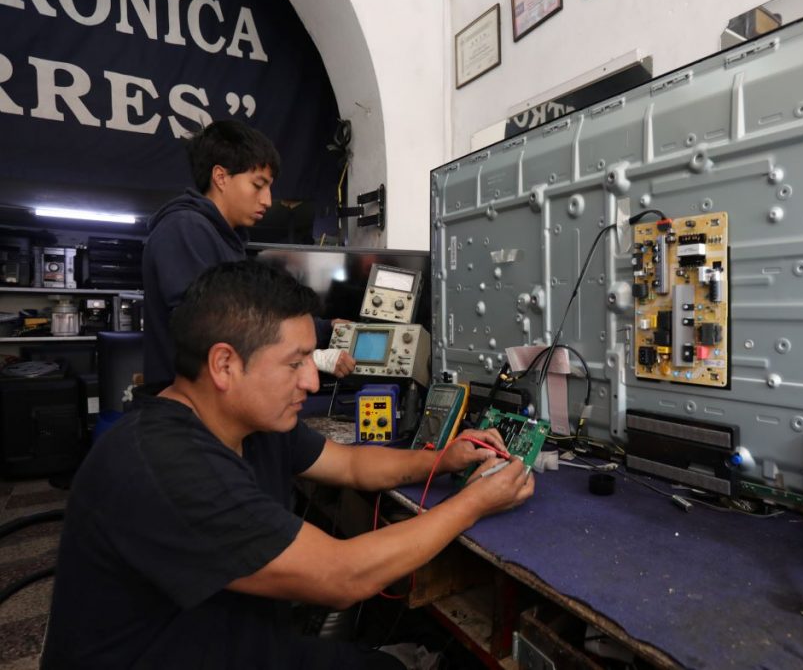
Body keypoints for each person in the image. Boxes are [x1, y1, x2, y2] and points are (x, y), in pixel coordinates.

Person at [42, 260, 535, 669]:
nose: (312, 383)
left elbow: (353, 467)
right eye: (296, 363)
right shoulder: (163, 464)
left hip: (224, 640)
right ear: (225, 365)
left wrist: (441, 461)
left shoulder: (253, 424)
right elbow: (343, 577)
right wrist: (475, 502)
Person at [142, 118, 354, 386]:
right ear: (220, 177)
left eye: (269, 187)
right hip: (187, 408)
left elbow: (252, 314)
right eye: (258, 185)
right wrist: (305, 358)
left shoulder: (227, 239)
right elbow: (208, 328)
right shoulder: (185, 229)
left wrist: (326, 328)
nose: (267, 199)